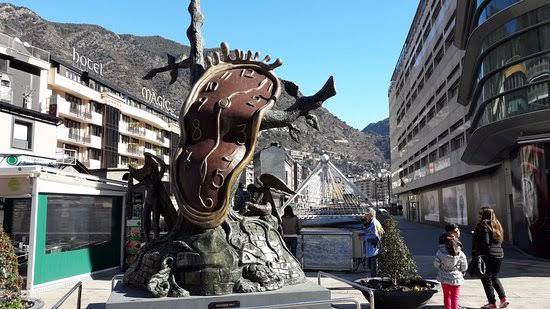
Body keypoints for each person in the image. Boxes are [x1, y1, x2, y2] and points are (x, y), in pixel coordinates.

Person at [472, 207, 509, 309]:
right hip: (499, 254)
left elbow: (485, 243)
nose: (479, 216)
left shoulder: (482, 225)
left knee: (486, 279)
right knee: (494, 277)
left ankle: (492, 303)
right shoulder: (497, 224)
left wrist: (477, 253)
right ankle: (503, 299)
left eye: (480, 214)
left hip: (488, 255)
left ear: (483, 215)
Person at [434, 234, 468, 309]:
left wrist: (442, 266)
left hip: (444, 277)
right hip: (456, 278)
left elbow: (436, 264)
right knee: (455, 298)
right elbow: (464, 266)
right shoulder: (460, 252)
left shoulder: (440, 252)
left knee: (446, 297)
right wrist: (462, 272)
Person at [360, 208, 384, 277]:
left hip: (373, 250)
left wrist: (364, 237)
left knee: (373, 267)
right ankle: (374, 279)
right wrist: (364, 234)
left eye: (366, 215)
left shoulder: (374, 224)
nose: (365, 216)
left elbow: (375, 237)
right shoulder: (373, 222)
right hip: (372, 250)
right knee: (372, 267)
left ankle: (374, 281)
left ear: (370, 215)